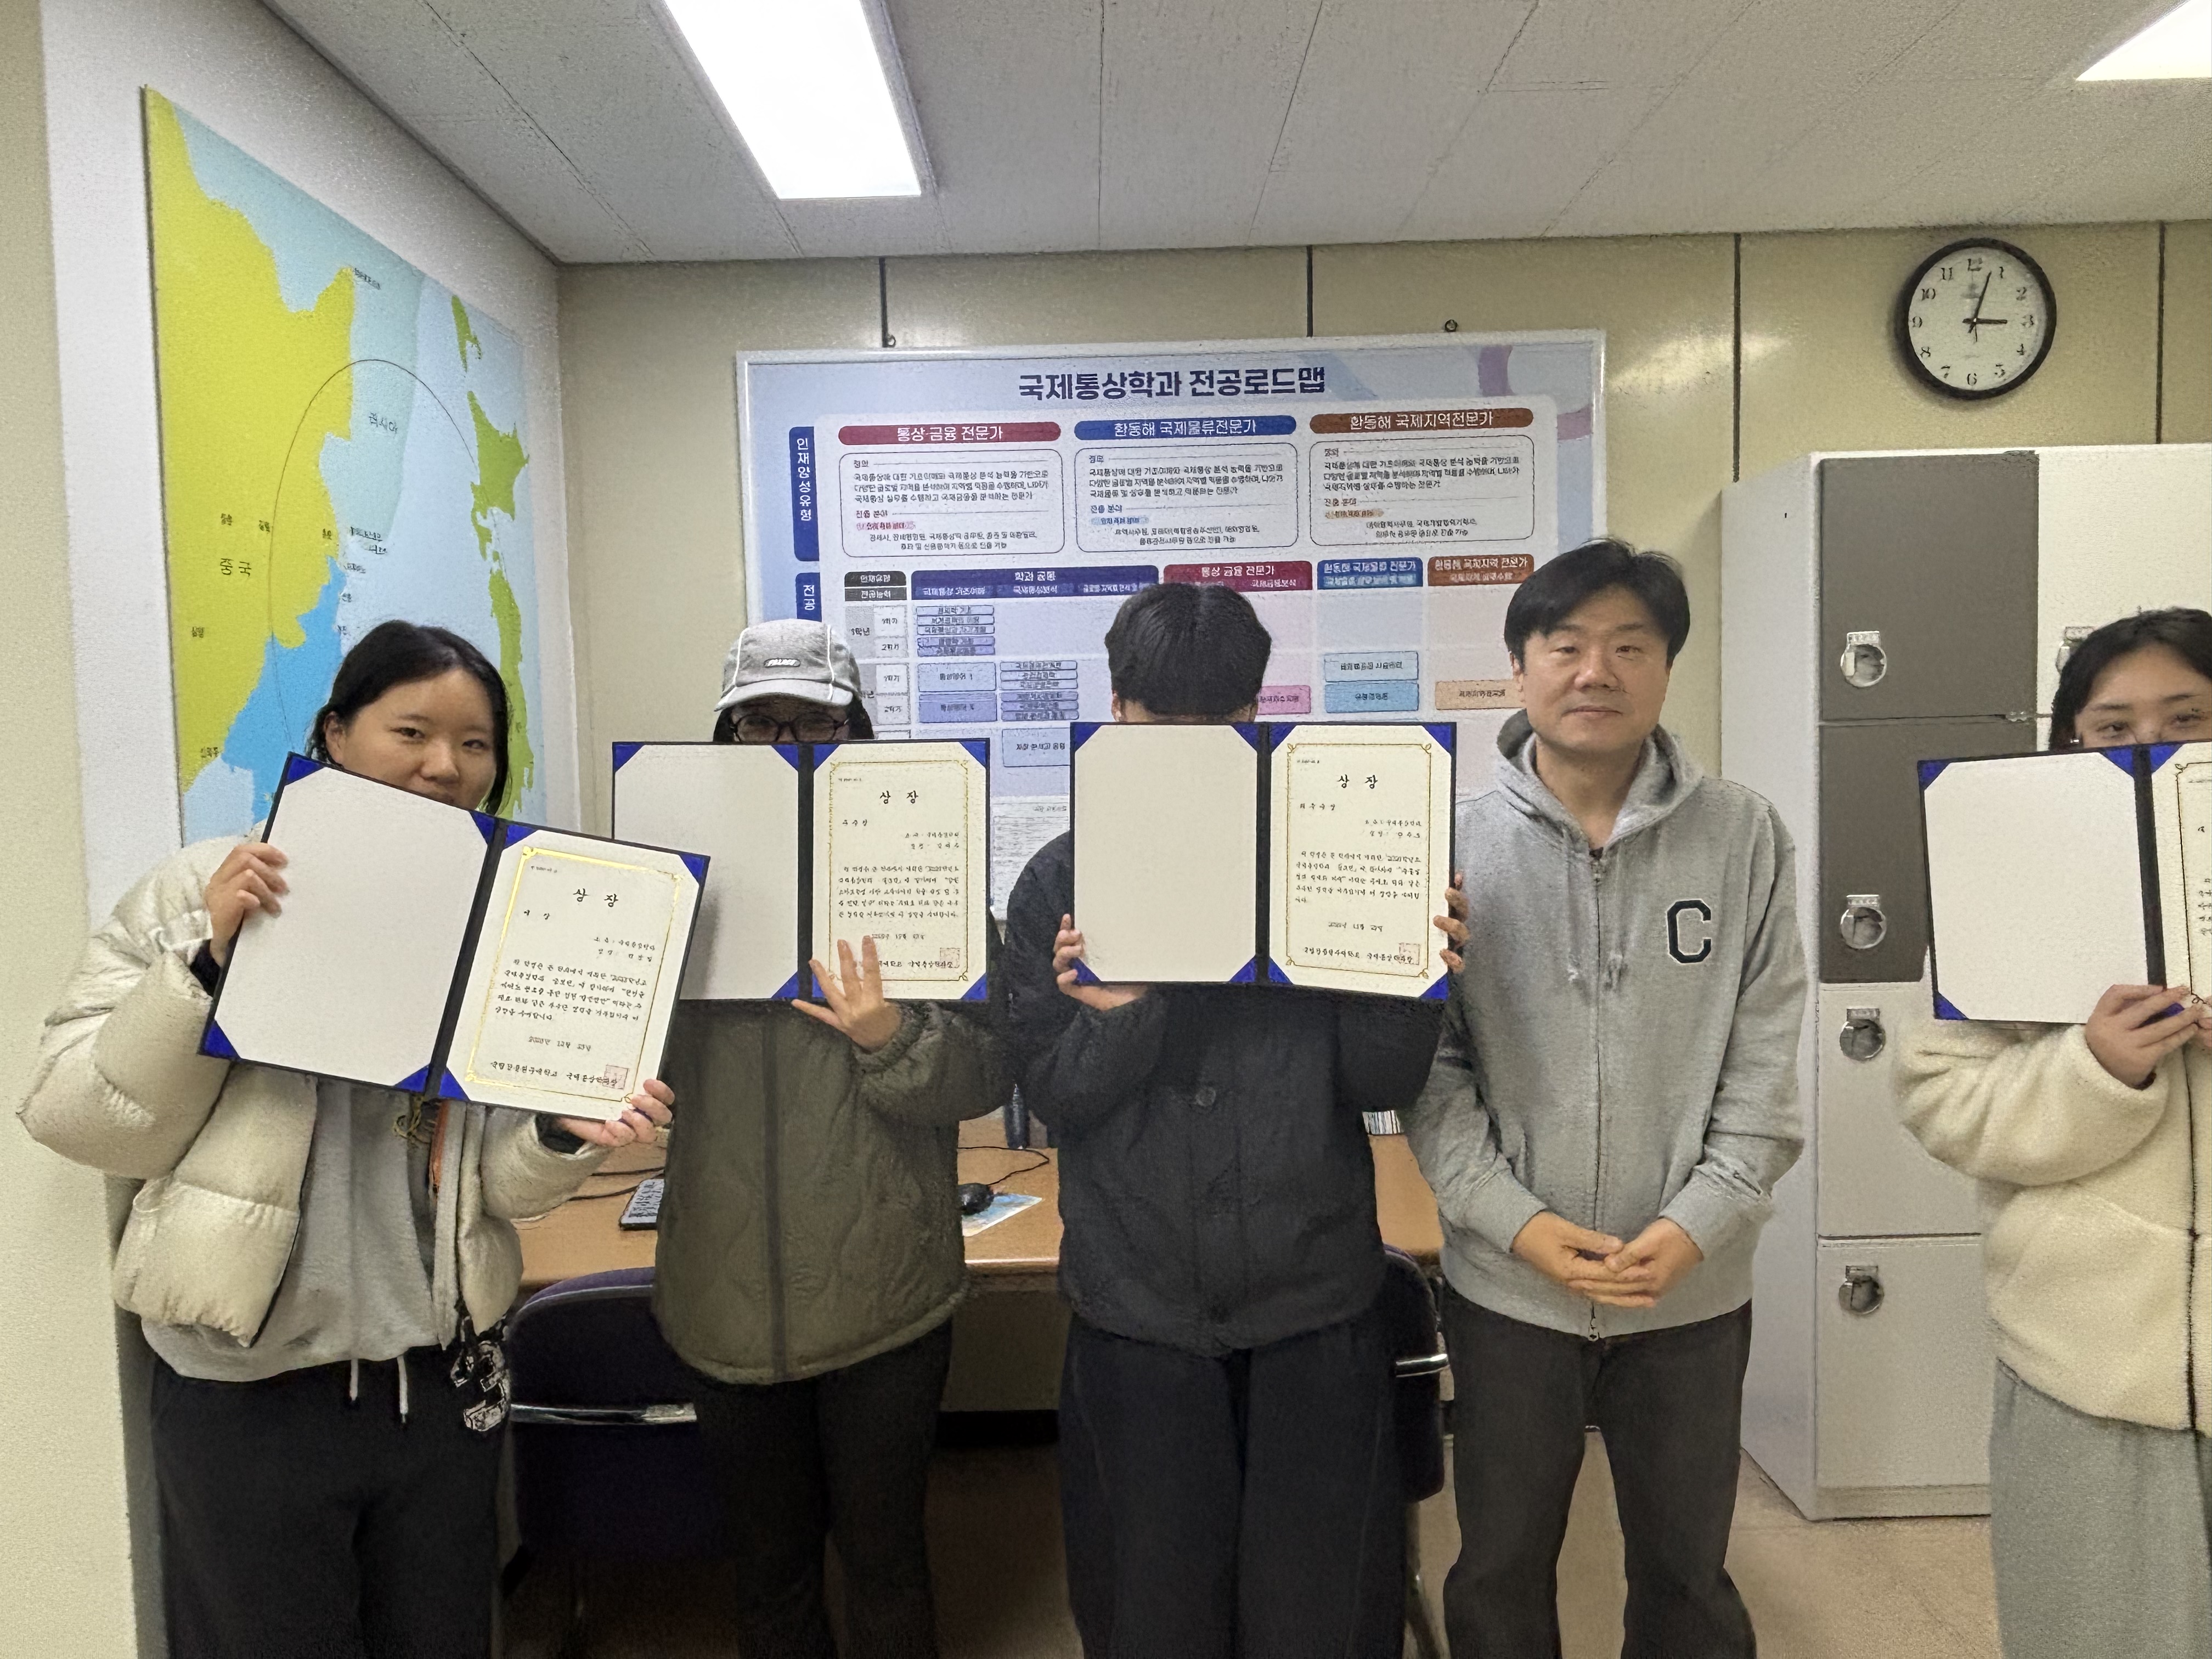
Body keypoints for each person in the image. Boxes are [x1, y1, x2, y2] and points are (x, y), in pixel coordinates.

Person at [16, 620, 672, 1659]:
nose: (444, 765)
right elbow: (78, 1116)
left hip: (438, 1387)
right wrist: (207, 968)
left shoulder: (507, 922)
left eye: (475, 744)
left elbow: (503, 1190)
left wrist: (559, 1132)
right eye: (411, 731)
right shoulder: (204, 887)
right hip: (249, 1392)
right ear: (334, 733)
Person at [1003, 582, 1463, 1659]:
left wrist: (1414, 976)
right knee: (1151, 1615)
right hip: (1139, 1305)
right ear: (1117, 710)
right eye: (1158, 722)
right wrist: (1127, 1010)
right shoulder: (1059, 881)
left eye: (1215, 724)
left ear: (1254, 715)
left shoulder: (1331, 849)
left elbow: (1377, 1079)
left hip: (1313, 1298)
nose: (1185, 747)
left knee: (1320, 1618)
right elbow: (1055, 1095)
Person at [1402, 539, 1807, 1658]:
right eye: (1566, 645)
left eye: (1630, 646)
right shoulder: (1450, 842)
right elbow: (1430, 1074)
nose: (1596, 671)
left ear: (1667, 667)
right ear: (1519, 669)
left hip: (1691, 1286)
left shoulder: (1745, 836)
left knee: (1687, 1572)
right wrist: (1518, 1226)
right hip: (1509, 1286)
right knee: (1498, 1565)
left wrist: (1700, 1223)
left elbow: (1766, 1062)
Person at [651, 618, 1011, 1659]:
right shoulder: (673, 873)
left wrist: (893, 1036)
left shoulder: (930, 865)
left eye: (816, 722)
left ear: (856, 732)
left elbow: (990, 1071)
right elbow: (618, 1058)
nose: (790, 744)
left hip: (882, 1292)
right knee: (769, 1574)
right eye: (762, 722)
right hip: (721, 1295)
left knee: (888, 1563)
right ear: (726, 737)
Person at [1897, 607, 2212, 1659]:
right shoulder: (2004, 887)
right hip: (2081, 1372)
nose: (2149, 746)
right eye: (2113, 726)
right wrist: (2098, 1068)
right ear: (2072, 740)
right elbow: (1943, 1102)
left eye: (2186, 719)